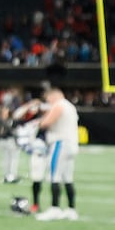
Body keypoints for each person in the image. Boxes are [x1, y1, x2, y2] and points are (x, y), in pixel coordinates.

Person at [36, 84, 80, 220]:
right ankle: (71, 209)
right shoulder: (70, 106)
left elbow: (45, 123)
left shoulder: (59, 105)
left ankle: (54, 208)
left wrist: (40, 120)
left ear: (53, 95)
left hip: (60, 143)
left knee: (54, 176)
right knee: (68, 177)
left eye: (48, 99)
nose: (48, 101)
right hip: (72, 143)